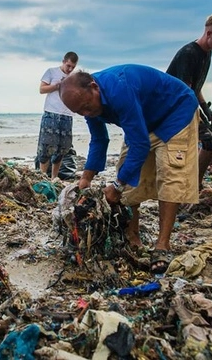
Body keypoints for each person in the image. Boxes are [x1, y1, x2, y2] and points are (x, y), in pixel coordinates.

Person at [59, 65, 199, 274]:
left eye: (87, 107)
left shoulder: (119, 89)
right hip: (144, 121)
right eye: (80, 112)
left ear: (94, 87)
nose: (86, 113)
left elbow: (140, 144)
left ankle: (162, 245)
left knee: (170, 176)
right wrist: (86, 178)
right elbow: (99, 139)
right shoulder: (86, 100)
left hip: (175, 113)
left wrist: (116, 186)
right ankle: (133, 237)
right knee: (127, 172)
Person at [166, 14, 212, 189]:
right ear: (209, 33)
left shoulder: (207, 53)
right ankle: (190, 185)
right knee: (209, 140)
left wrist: (205, 108)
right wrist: (200, 123)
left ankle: (194, 182)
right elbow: (184, 92)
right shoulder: (189, 54)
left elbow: (195, 87)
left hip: (186, 103)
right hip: (171, 109)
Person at [36, 52, 79, 179]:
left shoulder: (74, 77)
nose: (70, 69)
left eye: (73, 67)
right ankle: (43, 177)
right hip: (51, 113)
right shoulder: (51, 72)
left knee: (62, 149)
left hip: (67, 115)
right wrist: (57, 86)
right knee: (46, 147)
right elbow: (41, 89)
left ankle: (54, 178)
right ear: (63, 61)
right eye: (68, 66)